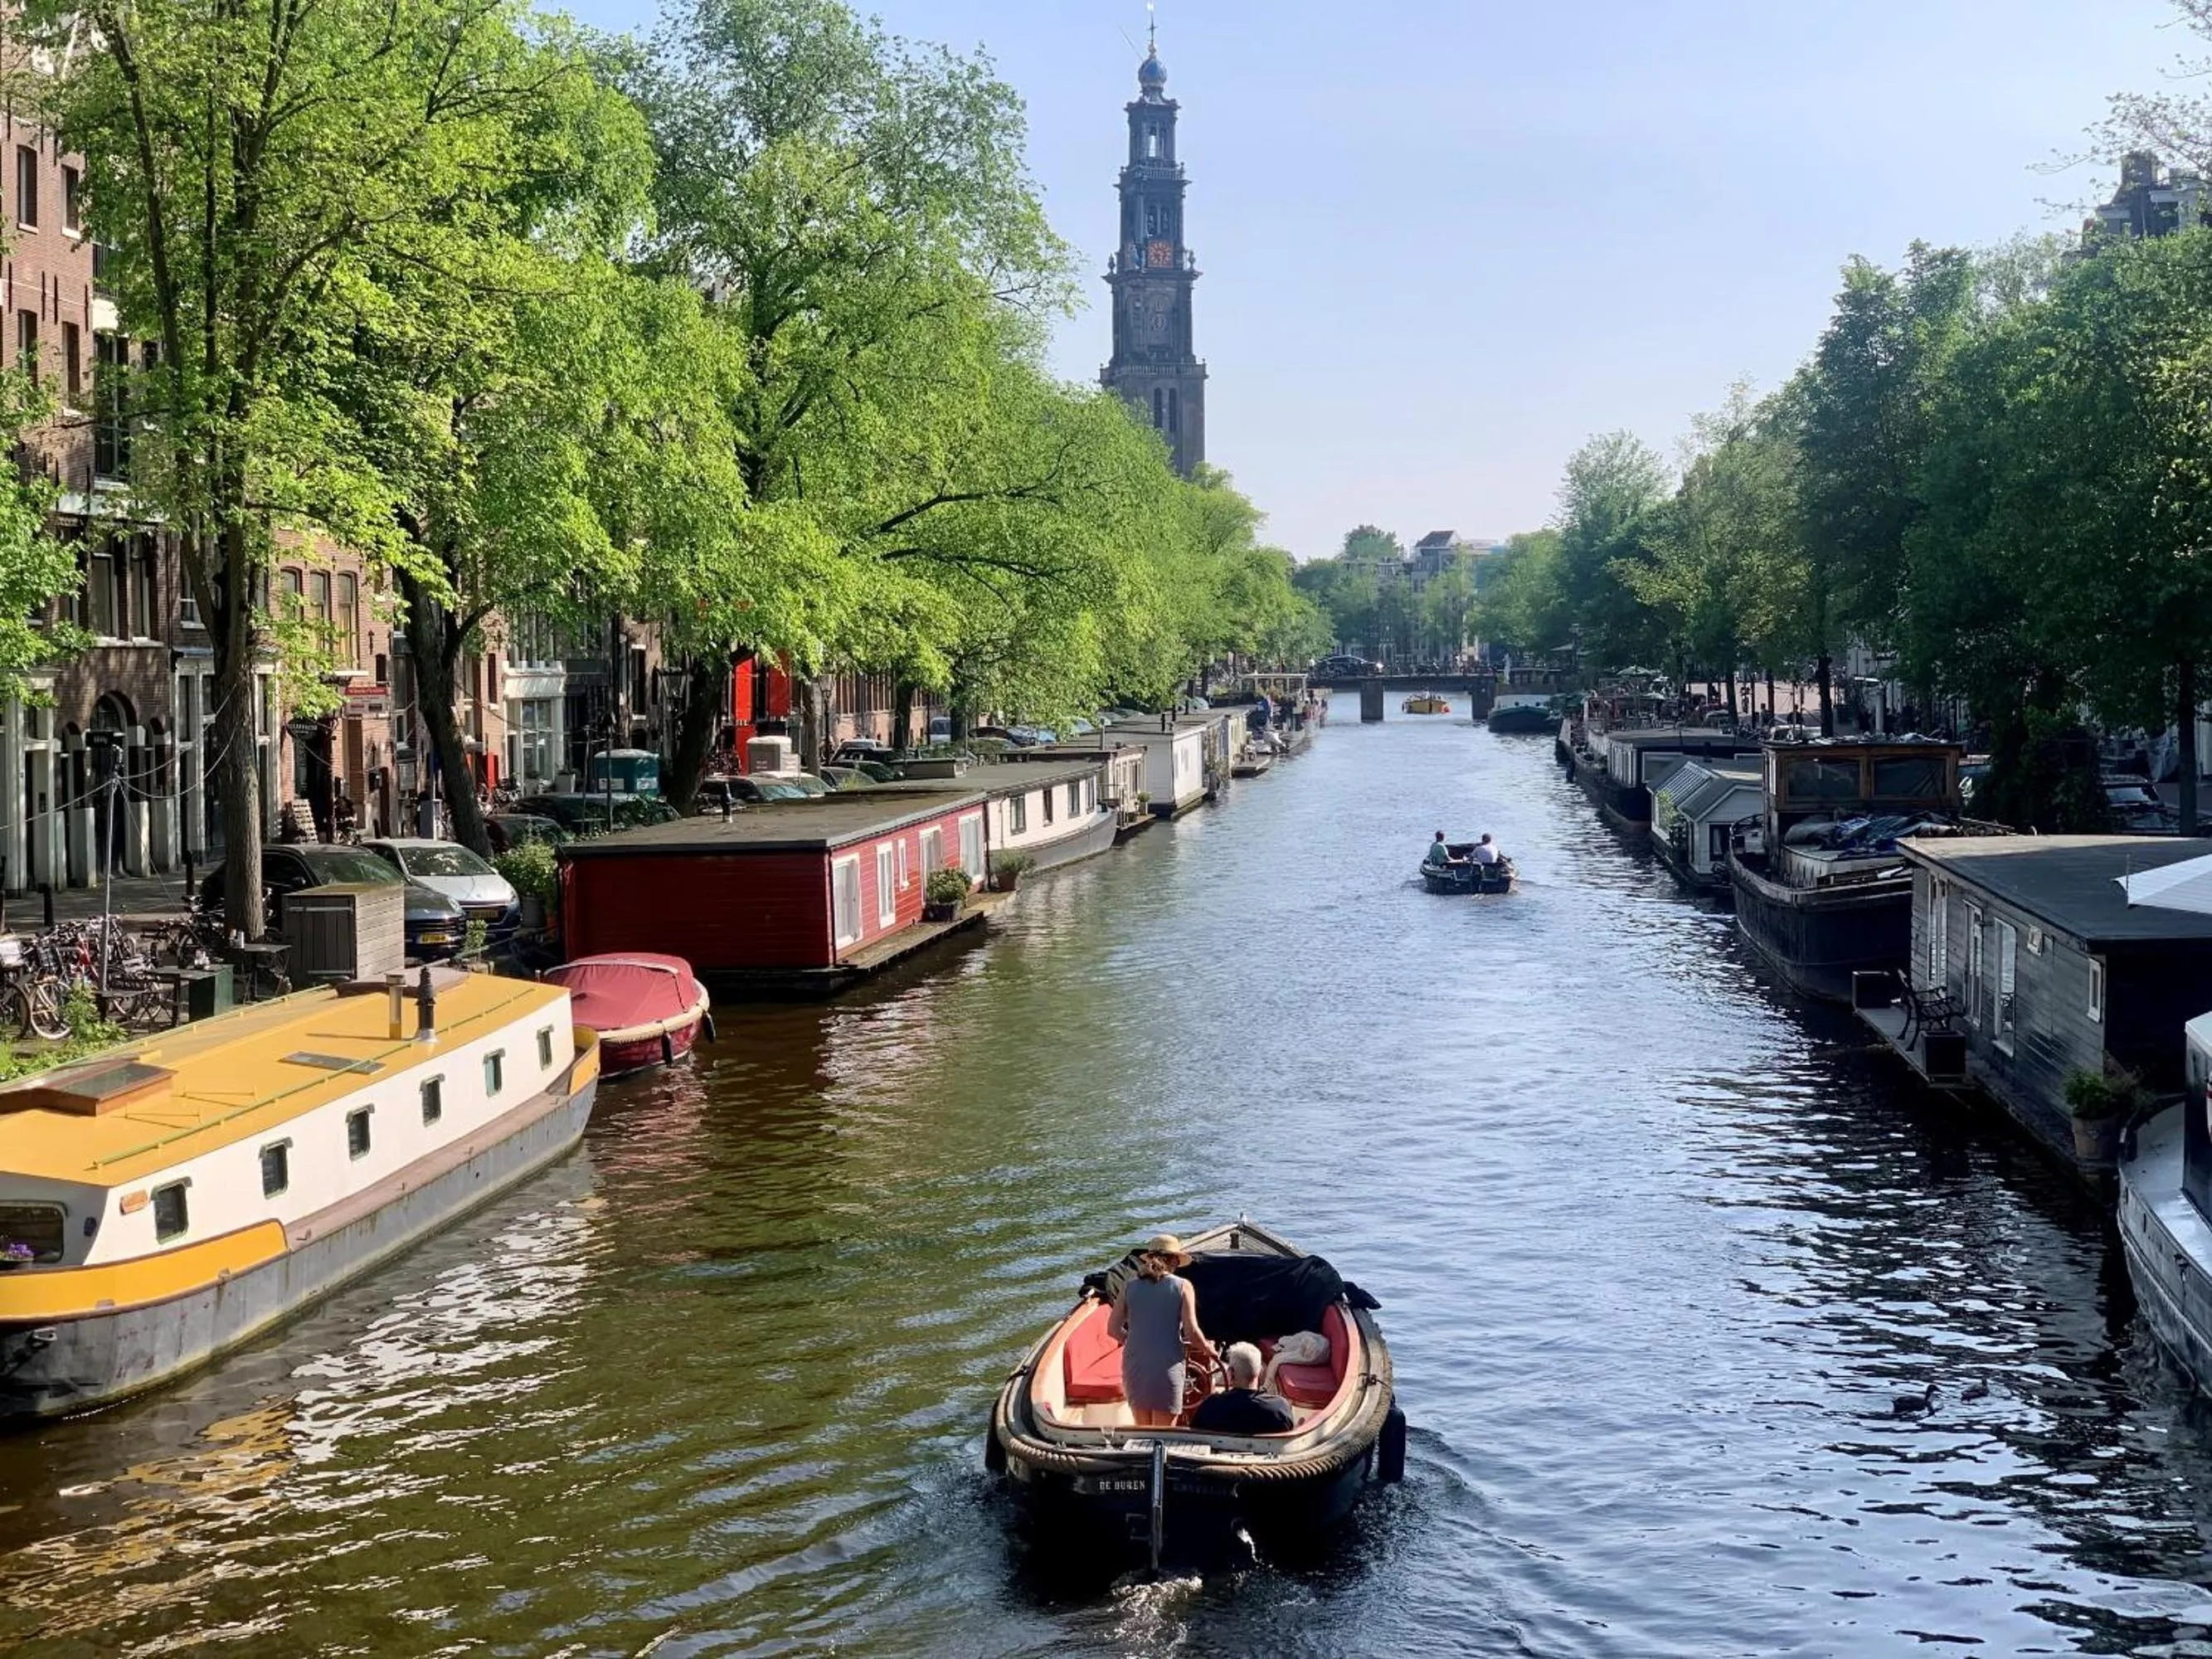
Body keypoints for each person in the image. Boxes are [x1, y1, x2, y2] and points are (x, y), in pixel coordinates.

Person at [1106, 1233, 1218, 1428]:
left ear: (1149, 1259)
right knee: (1164, 1433)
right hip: (1167, 1366)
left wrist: (1135, 1341)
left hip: (1135, 1364)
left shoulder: (1129, 1286)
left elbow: (1113, 1329)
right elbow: (1192, 1332)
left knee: (1142, 1431)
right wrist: (1210, 1350)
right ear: (1175, 1260)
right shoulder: (1183, 1286)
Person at [1189, 1342, 1296, 1435]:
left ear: (1230, 1373)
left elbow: (1195, 1436)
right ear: (1259, 1372)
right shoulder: (1280, 1408)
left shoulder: (1210, 1407)